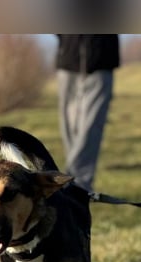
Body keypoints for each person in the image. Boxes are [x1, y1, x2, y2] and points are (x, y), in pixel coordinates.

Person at [56, 34, 120, 192]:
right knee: (70, 129)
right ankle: (74, 186)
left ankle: (78, 187)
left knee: (90, 128)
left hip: (101, 58)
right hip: (68, 58)